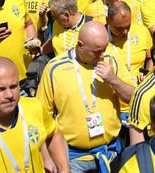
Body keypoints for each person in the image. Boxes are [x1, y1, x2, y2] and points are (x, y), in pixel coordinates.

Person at [38, 21, 134, 171]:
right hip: (74, 159)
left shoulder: (111, 60)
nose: (102, 55)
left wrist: (113, 80)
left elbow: (133, 98)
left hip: (111, 154)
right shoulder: (54, 68)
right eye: (97, 51)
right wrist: (47, 158)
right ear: (80, 44)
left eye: (104, 49)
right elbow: (42, 118)